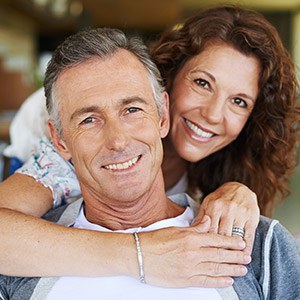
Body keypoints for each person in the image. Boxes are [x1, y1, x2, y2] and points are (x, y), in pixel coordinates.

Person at [0, 4, 298, 284]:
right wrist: (140, 256)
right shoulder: (78, 153)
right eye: (202, 83)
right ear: (168, 81)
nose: (212, 114)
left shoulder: (215, 180)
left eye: (239, 102)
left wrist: (238, 191)